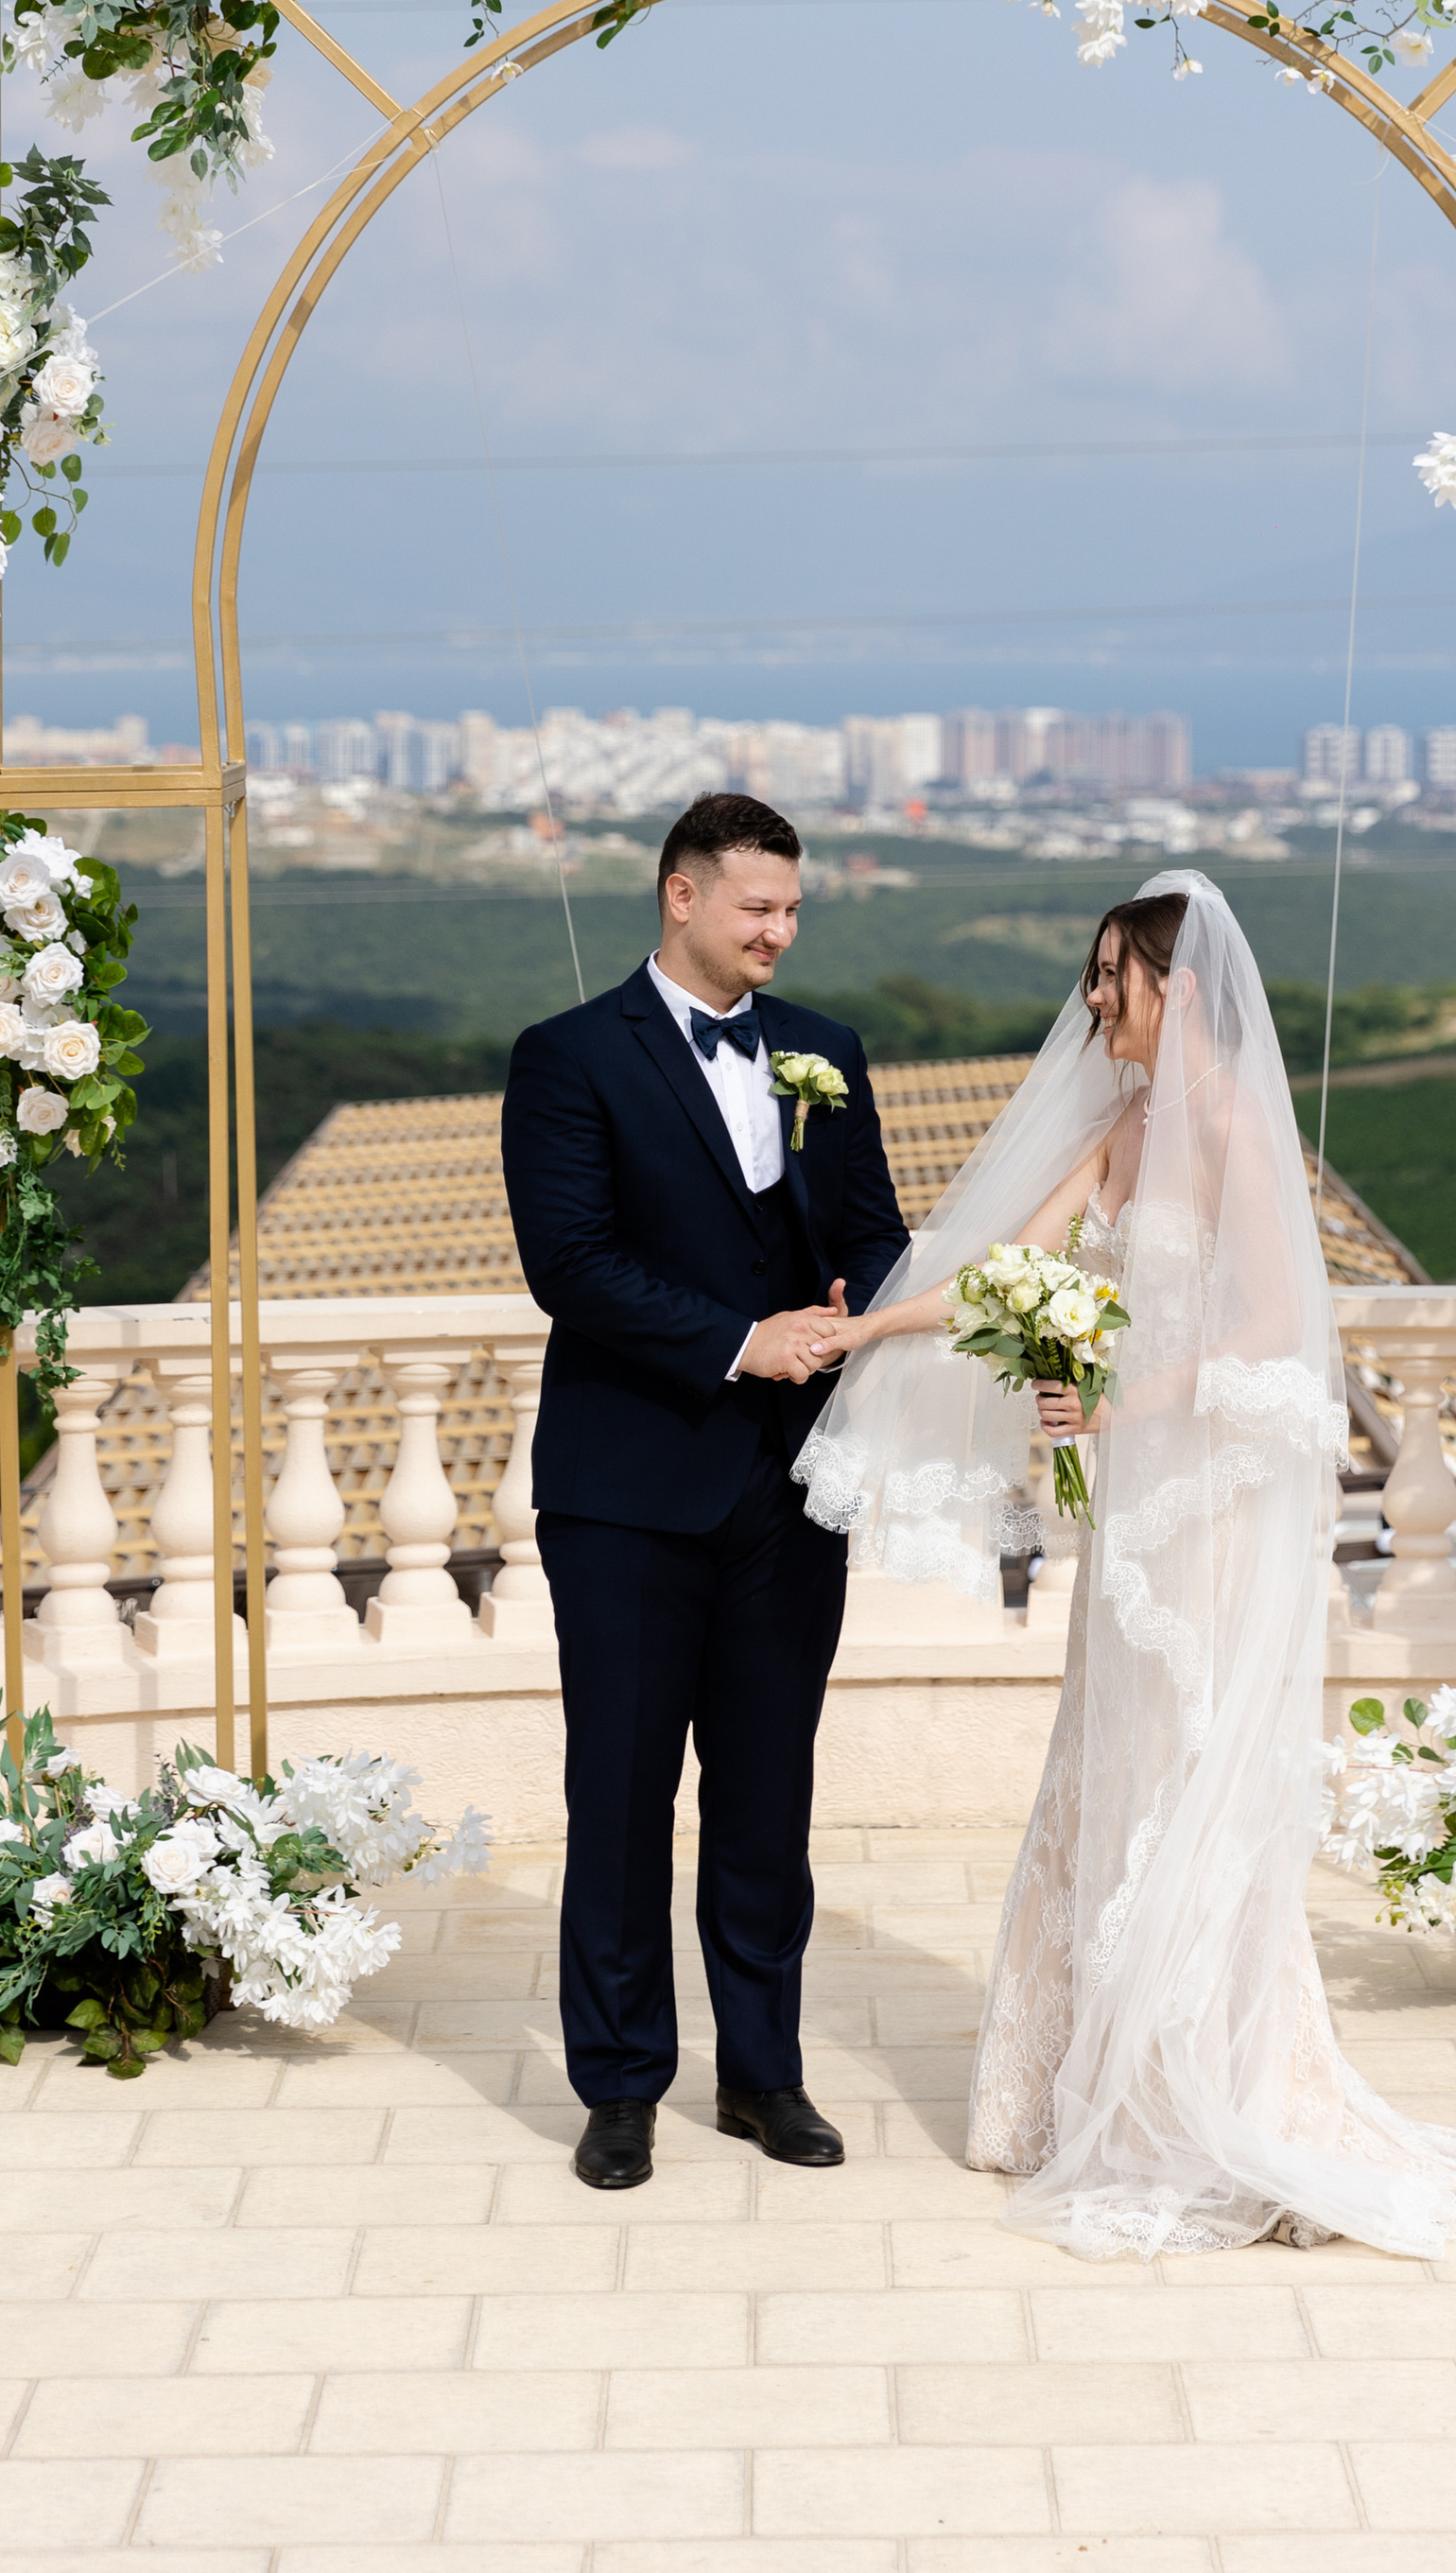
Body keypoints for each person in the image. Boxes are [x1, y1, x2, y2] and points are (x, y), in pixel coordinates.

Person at [795, 868, 1456, 2262]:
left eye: (1112, 978)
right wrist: (860, 1333)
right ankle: (1085, 2084)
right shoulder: (1124, 1124)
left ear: (1174, 988)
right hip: (1132, 1505)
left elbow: (1271, 1328)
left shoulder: (1235, 1118)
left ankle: (1204, 2093)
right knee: (1112, 1759)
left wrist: (1116, 1394)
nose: (1094, 1003)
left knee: (1189, 1765)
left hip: (1213, 1501)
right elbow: (1011, 1268)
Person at [499, 790, 908, 2194]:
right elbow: (571, 1261)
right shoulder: (565, 1058)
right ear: (682, 896)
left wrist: (865, 1308)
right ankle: (618, 2087)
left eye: (793, 911)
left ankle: (764, 2074)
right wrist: (743, 1341)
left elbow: (874, 1231)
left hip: (792, 1492)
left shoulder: (828, 1053)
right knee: (618, 1796)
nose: (781, 934)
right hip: (624, 1493)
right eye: (758, 909)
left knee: (764, 1797)